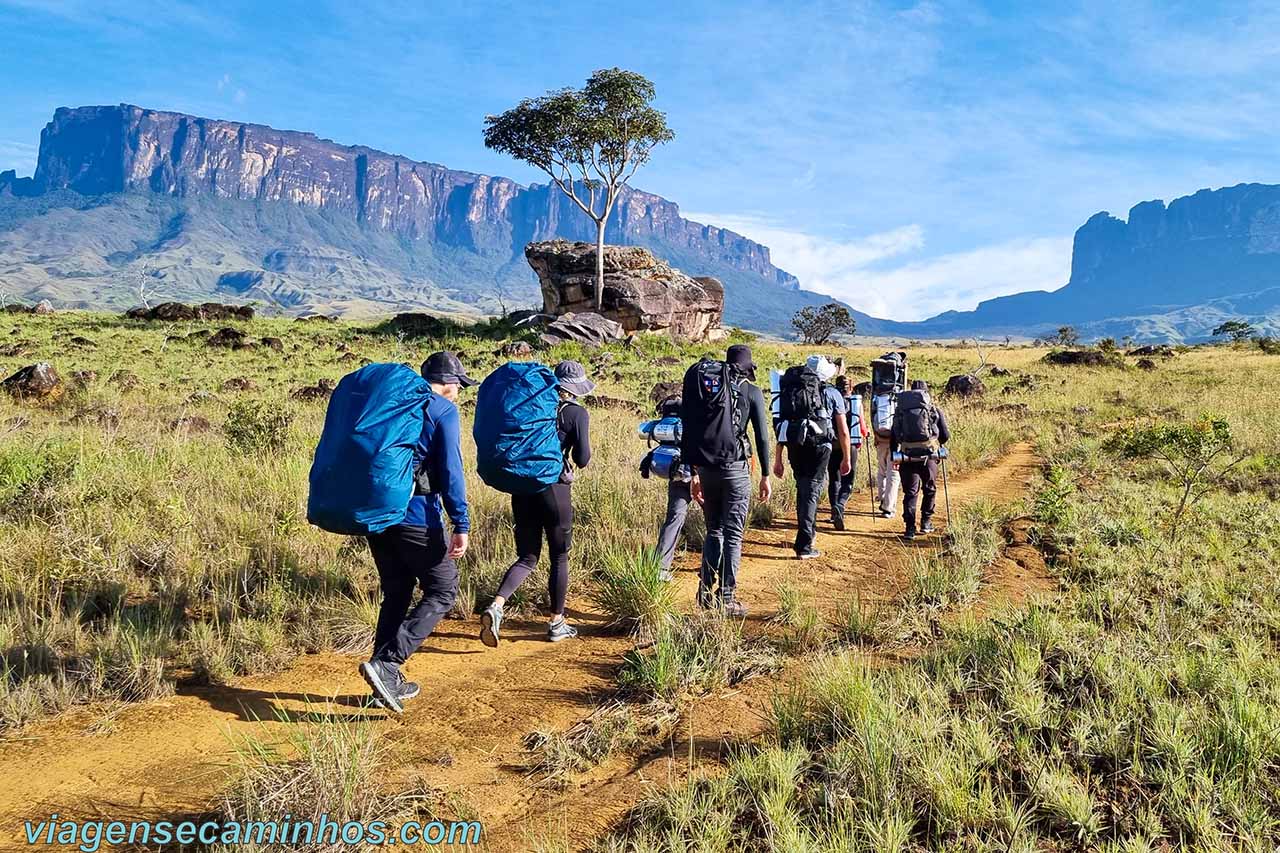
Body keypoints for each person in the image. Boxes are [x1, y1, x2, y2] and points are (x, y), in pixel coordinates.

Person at [360, 351, 474, 714]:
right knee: (443, 589)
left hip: (378, 512)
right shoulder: (442, 410)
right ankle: (388, 663)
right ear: (450, 384)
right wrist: (461, 522)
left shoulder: (391, 402)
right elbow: (451, 471)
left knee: (396, 591)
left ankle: (384, 683)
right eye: (459, 387)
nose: (459, 394)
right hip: (417, 516)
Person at [480, 360, 593, 645]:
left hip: (522, 485)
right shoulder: (576, 413)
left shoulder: (528, 408)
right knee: (559, 555)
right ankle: (556, 622)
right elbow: (583, 459)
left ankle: (497, 606)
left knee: (528, 556)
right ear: (575, 388)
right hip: (554, 489)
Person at [683, 344, 772, 617]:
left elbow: (690, 425)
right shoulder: (752, 392)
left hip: (706, 467)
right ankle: (728, 598)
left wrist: (694, 471)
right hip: (736, 469)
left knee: (714, 530)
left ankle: (705, 593)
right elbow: (762, 437)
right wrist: (766, 475)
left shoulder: (710, 389)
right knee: (733, 534)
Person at [773, 355, 851, 559]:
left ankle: (808, 534)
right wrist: (846, 458)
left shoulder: (792, 390)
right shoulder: (833, 393)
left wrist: (778, 458)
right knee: (812, 490)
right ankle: (805, 544)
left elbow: (781, 424)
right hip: (820, 446)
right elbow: (843, 431)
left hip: (795, 443)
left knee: (803, 488)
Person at [891, 379, 951, 540]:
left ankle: (909, 528)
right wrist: (940, 444)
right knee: (929, 489)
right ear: (926, 393)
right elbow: (945, 435)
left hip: (907, 455)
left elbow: (894, 435)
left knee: (910, 493)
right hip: (929, 455)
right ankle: (926, 522)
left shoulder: (901, 410)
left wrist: (894, 455)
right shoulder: (934, 410)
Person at [651, 394, 692, 582]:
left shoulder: (674, 419)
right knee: (714, 521)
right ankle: (715, 564)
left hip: (676, 467)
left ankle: (660, 567)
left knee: (674, 516)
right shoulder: (700, 409)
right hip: (699, 470)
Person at [827, 373, 867, 530]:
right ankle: (841, 506)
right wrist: (866, 434)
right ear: (851, 387)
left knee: (834, 479)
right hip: (850, 445)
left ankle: (833, 511)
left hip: (832, 444)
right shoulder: (856, 402)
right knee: (848, 480)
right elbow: (862, 426)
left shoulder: (830, 399)